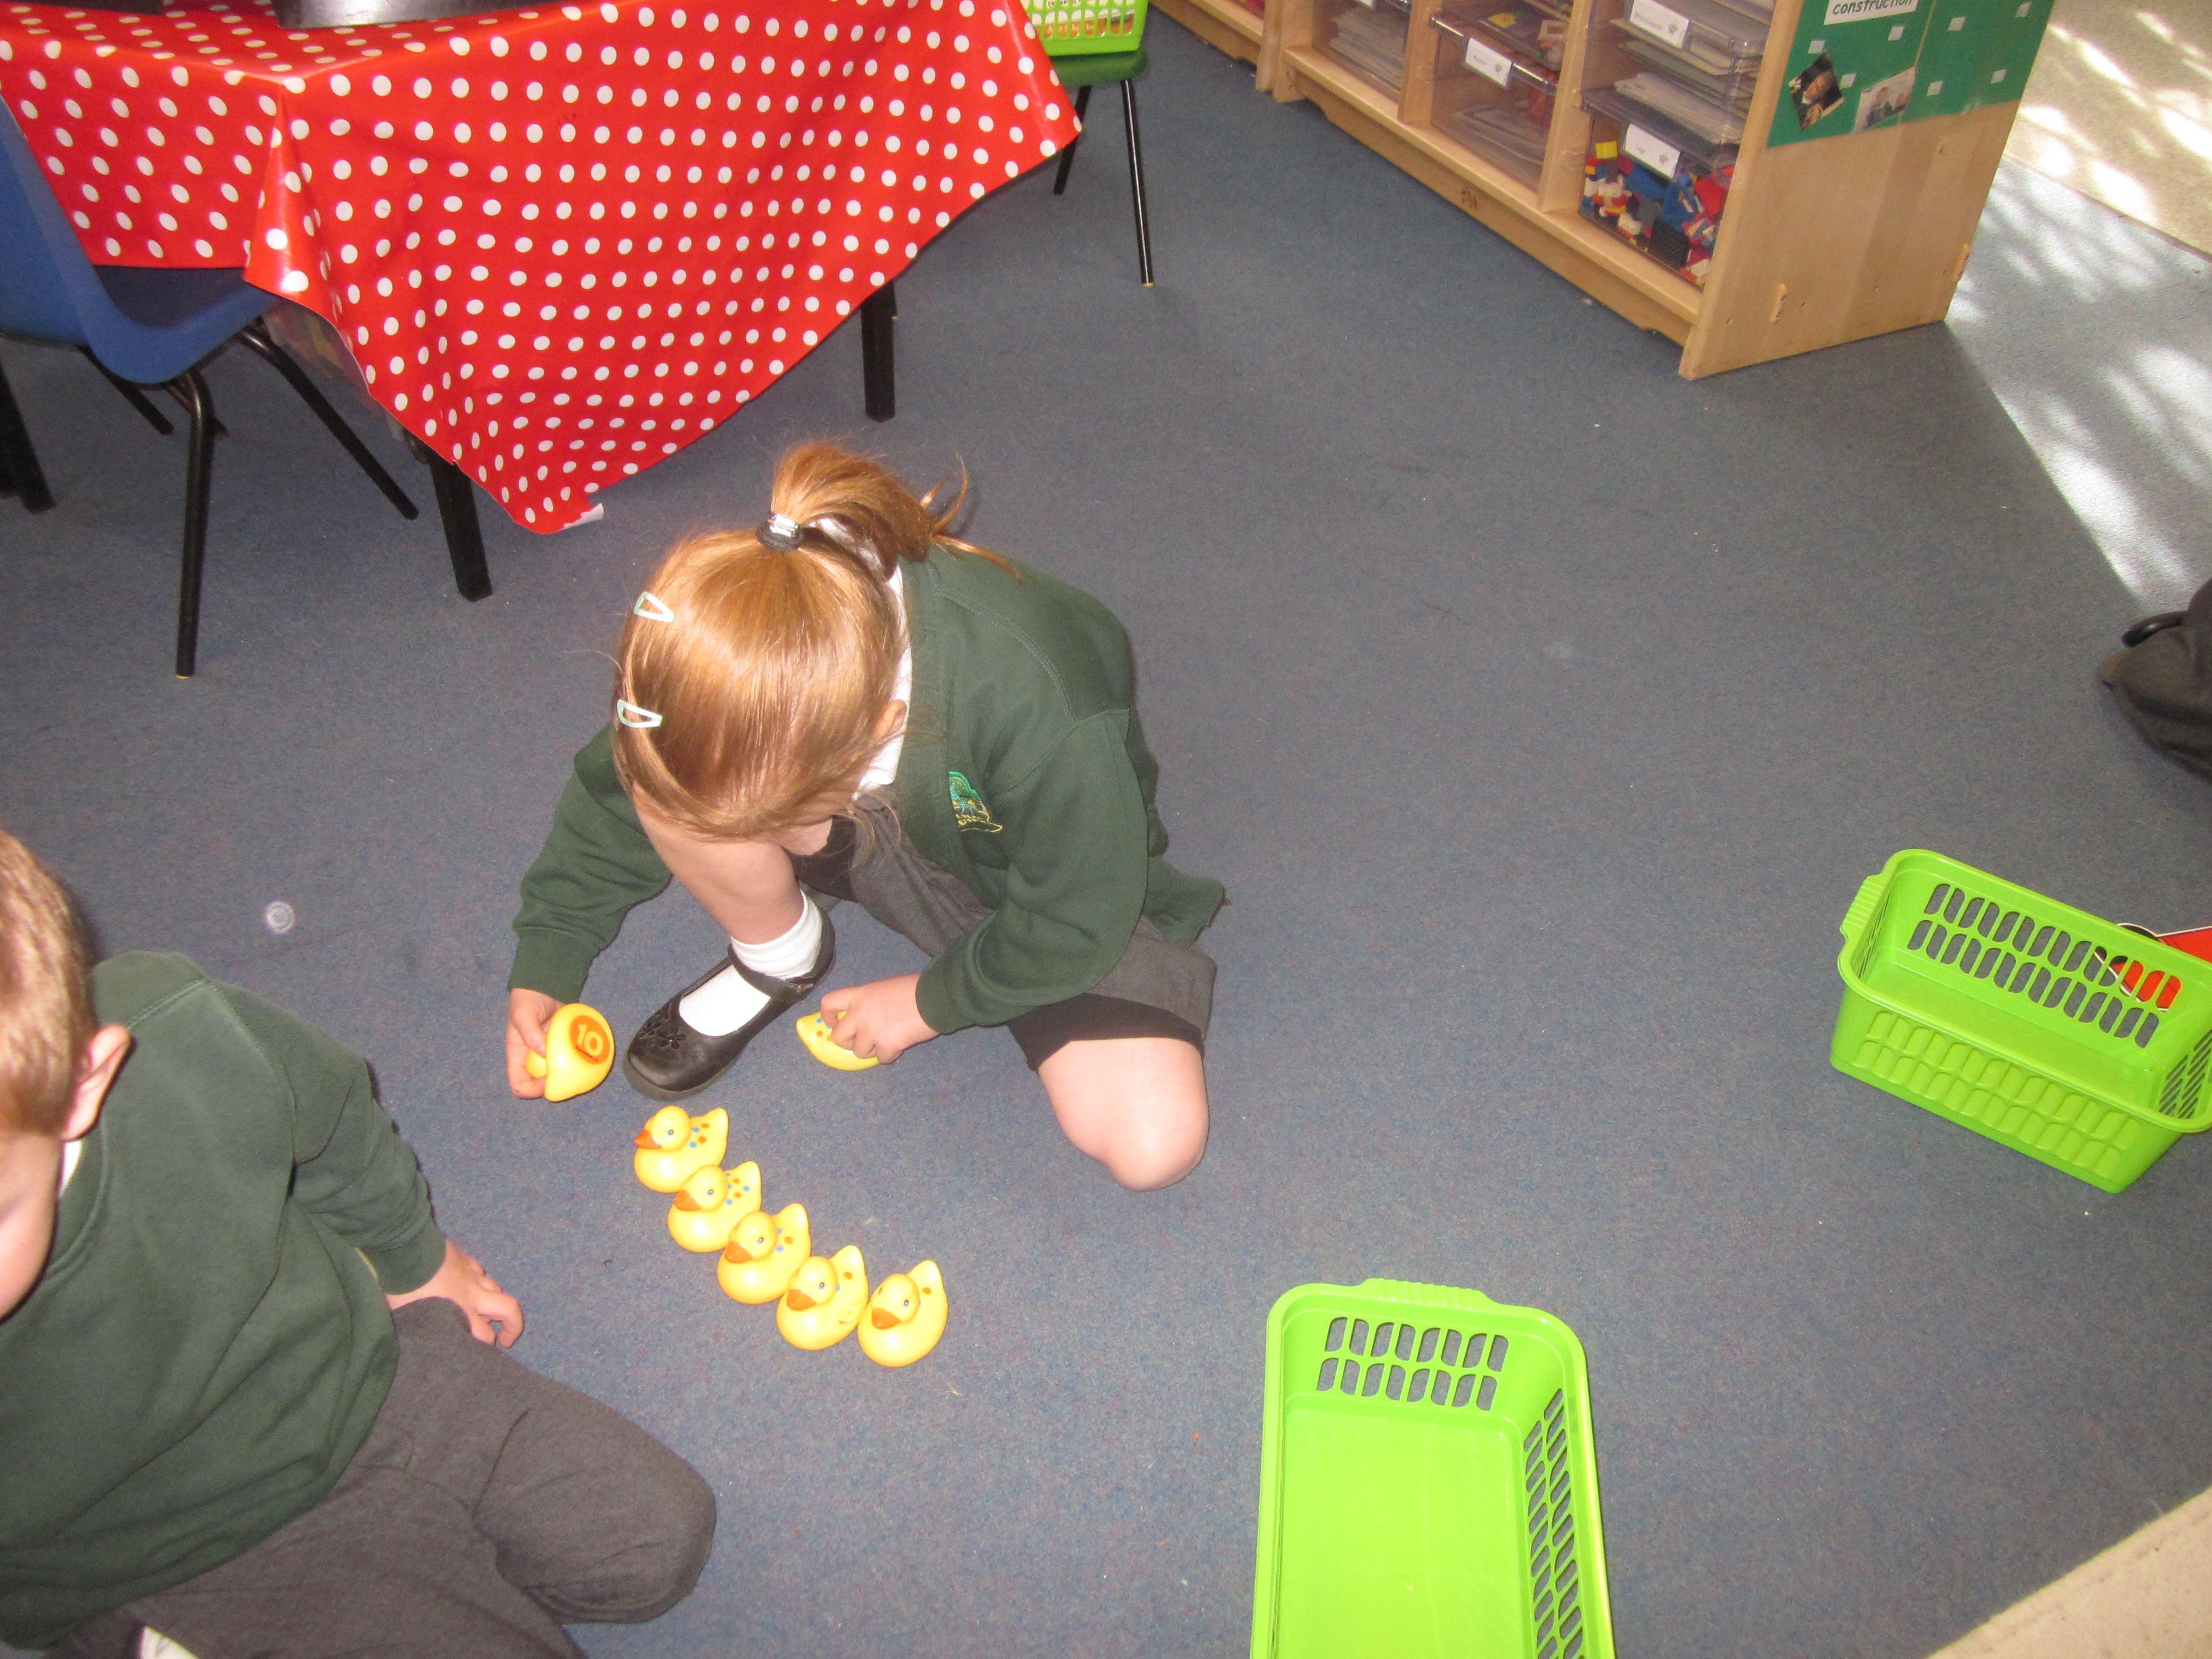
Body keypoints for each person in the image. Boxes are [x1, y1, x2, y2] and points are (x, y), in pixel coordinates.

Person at [0, 832, 716, 1658]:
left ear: (82, 1083)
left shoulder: (176, 1028)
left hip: (350, 1370)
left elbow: (329, 1110)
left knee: (655, 1540)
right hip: (176, 1548)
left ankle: (423, 1572)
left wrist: (417, 1261)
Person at [506, 444, 1224, 1191]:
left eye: (770, 816)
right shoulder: (761, 641)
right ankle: (779, 954)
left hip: (1029, 881)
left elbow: (1075, 916)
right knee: (675, 780)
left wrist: (925, 1004)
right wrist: (551, 951)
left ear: (882, 726)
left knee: (1153, 1144)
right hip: (870, 815)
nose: (745, 832)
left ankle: (968, 945)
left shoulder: (1037, 704)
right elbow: (626, 779)